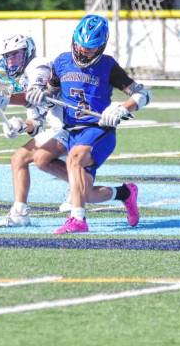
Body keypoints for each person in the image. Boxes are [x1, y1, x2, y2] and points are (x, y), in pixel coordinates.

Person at [26, 14, 152, 234]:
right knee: (44, 161)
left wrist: (123, 108)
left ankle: (77, 220)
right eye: (81, 45)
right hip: (70, 130)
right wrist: (39, 93)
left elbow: (143, 94)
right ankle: (124, 193)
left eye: (91, 48)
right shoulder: (62, 62)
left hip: (98, 129)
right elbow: (52, 91)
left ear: (101, 46)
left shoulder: (108, 66)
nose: (84, 51)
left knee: (74, 159)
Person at [0, 34, 113, 228]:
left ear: (28, 52)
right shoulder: (25, 77)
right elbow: (36, 123)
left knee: (19, 158)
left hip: (72, 127)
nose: (11, 60)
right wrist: (21, 126)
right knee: (45, 164)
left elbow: (35, 95)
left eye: (15, 55)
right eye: (8, 57)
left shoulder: (38, 66)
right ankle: (108, 191)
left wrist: (6, 98)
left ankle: (20, 213)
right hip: (59, 129)